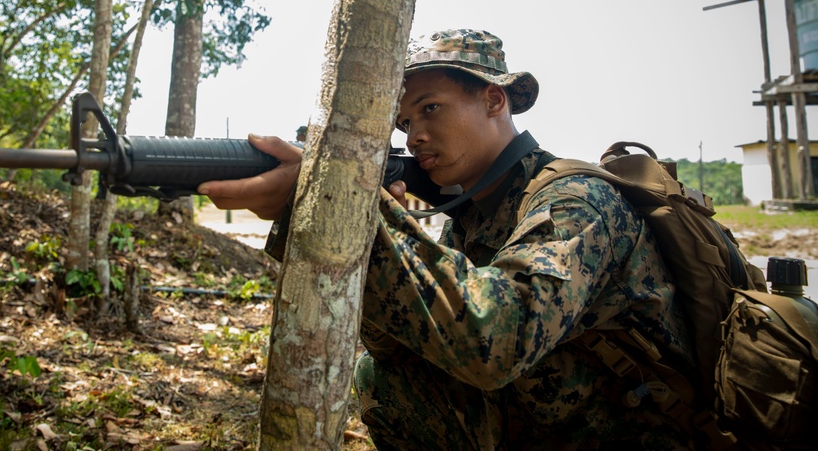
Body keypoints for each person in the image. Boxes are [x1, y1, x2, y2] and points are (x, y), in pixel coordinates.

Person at [199, 29, 698, 449]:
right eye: (405, 123)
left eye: (430, 108)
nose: (414, 136)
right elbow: (404, 351)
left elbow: (493, 340)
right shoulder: (475, 216)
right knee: (382, 379)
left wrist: (357, 211)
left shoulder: (576, 200)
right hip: (547, 421)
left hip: (642, 434)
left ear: (494, 99)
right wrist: (370, 225)